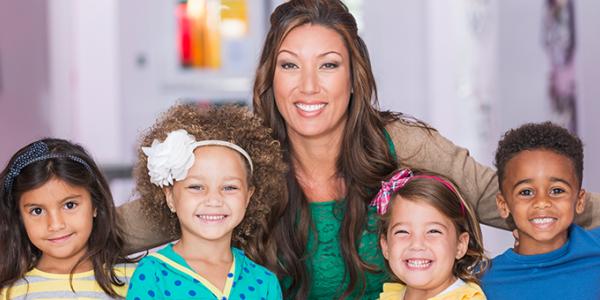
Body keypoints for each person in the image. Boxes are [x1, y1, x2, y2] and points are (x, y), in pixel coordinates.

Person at [117, 1, 600, 298]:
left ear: (354, 76)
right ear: (269, 78)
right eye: (290, 66)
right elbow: (120, 228)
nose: (308, 87)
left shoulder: (402, 145)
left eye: (328, 65)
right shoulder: (237, 164)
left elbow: (522, 202)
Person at [126, 104, 285, 300]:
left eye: (229, 187)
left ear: (248, 196)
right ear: (170, 197)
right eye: (196, 187)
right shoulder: (152, 274)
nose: (214, 199)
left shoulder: (265, 282)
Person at [0, 138, 136, 299]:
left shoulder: (137, 279)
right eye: (37, 211)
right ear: (19, 216)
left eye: (70, 205)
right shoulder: (9, 292)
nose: (55, 225)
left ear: (95, 204)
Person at [481, 122, 600, 299]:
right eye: (526, 192)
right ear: (503, 204)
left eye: (557, 190)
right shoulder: (484, 282)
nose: (542, 202)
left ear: (580, 200)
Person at [376, 169, 487, 300]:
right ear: (385, 246)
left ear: (460, 245)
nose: (417, 245)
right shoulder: (389, 296)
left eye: (433, 231)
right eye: (402, 231)